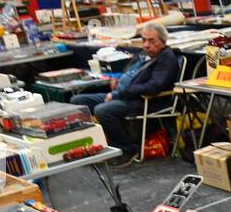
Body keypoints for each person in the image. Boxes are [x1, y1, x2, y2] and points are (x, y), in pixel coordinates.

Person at [68, 22, 178, 164]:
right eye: (144, 40)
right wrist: (118, 78)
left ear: (163, 42)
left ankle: (126, 150)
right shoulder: (144, 54)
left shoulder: (166, 59)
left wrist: (117, 94)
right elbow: (131, 73)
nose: (146, 44)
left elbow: (152, 87)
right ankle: (93, 145)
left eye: (152, 41)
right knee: (77, 101)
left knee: (103, 110)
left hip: (143, 101)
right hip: (123, 94)